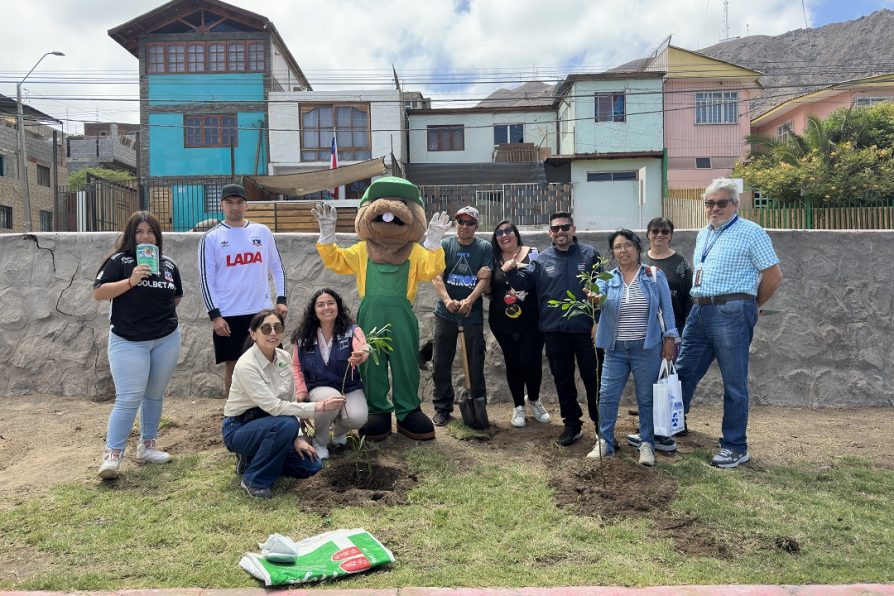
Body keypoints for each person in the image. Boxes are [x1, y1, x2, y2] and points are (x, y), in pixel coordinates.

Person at [675, 178, 783, 468]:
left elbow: (773, 276)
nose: (715, 208)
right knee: (681, 373)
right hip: (699, 311)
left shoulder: (751, 232)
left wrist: (751, 306)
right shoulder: (704, 235)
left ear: (735, 204)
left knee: (734, 382)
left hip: (732, 311)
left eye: (722, 202)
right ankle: (668, 427)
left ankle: (735, 446)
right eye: (709, 203)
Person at [93, 211, 182, 480]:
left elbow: (176, 297)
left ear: (158, 236)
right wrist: (131, 281)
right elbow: (98, 292)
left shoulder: (168, 264)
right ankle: (113, 454)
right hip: (128, 340)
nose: (145, 237)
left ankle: (147, 445)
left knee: (154, 394)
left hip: (166, 337)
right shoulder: (118, 261)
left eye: (150, 232)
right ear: (131, 235)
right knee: (129, 397)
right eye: (139, 232)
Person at [503, 211, 603, 446]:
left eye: (565, 227)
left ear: (573, 229)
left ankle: (602, 427)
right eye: (555, 229)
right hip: (554, 330)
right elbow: (523, 285)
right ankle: (572, 425)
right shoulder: (541, 259)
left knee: (594, 379)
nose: (560, 232)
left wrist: (598, 321)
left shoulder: (590, 255)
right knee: (563, 379)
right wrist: (511, 271)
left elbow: (603, 290)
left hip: (586, 330)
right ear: (550, 233)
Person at [222, 309, 345, 499]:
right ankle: (254, 479)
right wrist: (317, 407)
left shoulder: (284, 357)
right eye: (266, 328)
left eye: (277, 327)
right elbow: (275, 407)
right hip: (240, 427)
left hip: (274, 424)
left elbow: (290, 399)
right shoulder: (247, 365)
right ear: (253, 334)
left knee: (312, 466)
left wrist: (296, 437)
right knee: (286, 424)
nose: (273, 332)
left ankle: (252, 459)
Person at [587, 229, 678, 467]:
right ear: (613, 252)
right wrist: (596, 300)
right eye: (617, 247)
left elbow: (667, 310)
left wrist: (670, 338)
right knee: (606, 396)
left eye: (627, 245)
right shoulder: (606, 279)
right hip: (615, 349)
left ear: (637, 248)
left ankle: (646, 443)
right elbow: (599, 299)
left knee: (646, 398)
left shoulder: (654, 275)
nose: (623, 250)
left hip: (646, 348)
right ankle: (604, 441)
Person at [198, 184, 288, 395]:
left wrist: (281, 299)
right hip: (229, 315)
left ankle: (274, 410)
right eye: (229, 202)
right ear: (221, 205)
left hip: (261, 312)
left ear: (246, 205)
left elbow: (277, 267)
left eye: (239, 202)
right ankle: (234, 414)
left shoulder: (262, 232)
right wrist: (215, 316)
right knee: (235, 366)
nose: (235, 207)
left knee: (272, 361)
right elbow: (206, 280)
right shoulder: (211, 238)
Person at [626, 217, 692, 454]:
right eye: (655, 231)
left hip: (672, 334)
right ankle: (654, 430)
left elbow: (688, 300)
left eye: (665, 231)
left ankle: (664, 432)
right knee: (650, 384)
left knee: (665, 382)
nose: (660, 235)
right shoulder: (640, 262)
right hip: (645, 334)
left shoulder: (680, 264)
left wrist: (679, 334)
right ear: (648, 234)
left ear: (671, 235)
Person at [430, 206, 494, 426]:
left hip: (472, 314)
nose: (464, 227)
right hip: (445, 313)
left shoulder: (484, 247)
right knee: (441, 361)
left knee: (475, 361)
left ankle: (477, 404)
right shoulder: (445, 245)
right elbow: (436, 275)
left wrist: (469, 301)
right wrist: (447, 300)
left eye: (469, 223)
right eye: (461, 222)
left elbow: (485, 278)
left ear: (476, 226)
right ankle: (442, 407)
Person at [291, 289, 369, 460]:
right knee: (331, 398)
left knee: (357, 417)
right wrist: (301, 389)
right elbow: (295, 365)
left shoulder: (351, 330)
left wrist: (359, 356)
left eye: (330, 303)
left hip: (348, 387)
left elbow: (363, 348)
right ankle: (320, 440)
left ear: (338, 306)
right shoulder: (303, 336)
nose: (326, 307)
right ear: (314, 310)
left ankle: (340, 433)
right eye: (321, 305)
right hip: (318, 388)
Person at [488, 220, 550, 428]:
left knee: (530, 361)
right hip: (501, 322)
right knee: (512, 363)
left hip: (531, 320)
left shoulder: (533, 252)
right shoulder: (492, 258)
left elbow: (538, 278)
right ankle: (518, 407)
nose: (504, 235)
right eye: (499, 233)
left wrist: (516, 267)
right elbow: (490, 289)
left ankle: (533, 399)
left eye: (508, 231)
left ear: (516, 234)